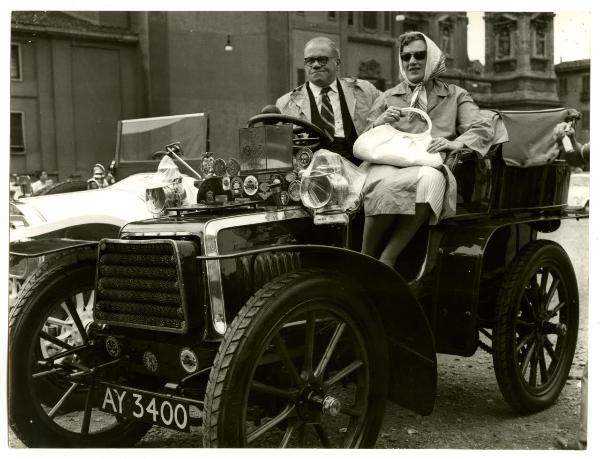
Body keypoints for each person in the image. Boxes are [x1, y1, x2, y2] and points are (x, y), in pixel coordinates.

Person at [361, 31, 495, 268]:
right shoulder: (388, 97)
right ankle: (365, 256)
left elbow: (482, 126)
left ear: (432, 57)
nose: (412, 61)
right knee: (379, 183)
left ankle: (389, 257)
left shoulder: (455, 95)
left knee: (431, 179)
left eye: (420, 55)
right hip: (386, 162)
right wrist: (380, 121)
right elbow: (364, 138)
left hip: (427, 162)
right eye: (406, 57)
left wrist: (457, 143)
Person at [276, 36, 381, 164]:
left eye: (322, 60)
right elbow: (281, 152)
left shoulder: (364, 91)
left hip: (362, 168)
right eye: (310, 61)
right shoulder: (286, 103)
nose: (315, 65)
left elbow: (390, 108)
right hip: (314, 174)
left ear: (337, 63)